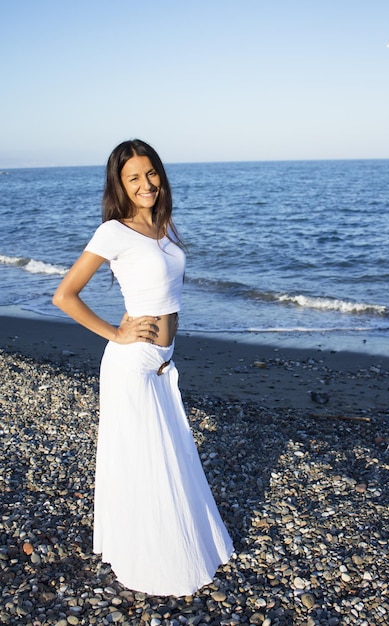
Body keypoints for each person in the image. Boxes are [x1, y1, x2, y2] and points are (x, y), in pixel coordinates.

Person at [53, 139, 233, 596]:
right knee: (147, 463)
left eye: (150, 173)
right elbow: (65, 295)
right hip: (132, 364)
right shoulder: (114, 232)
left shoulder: (164, 226)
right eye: (133, 177)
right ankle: (153, 561)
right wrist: (116, 333)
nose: (146, 184)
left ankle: (175, 544)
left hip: (162, 361)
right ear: (119, 184)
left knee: (165, 457)